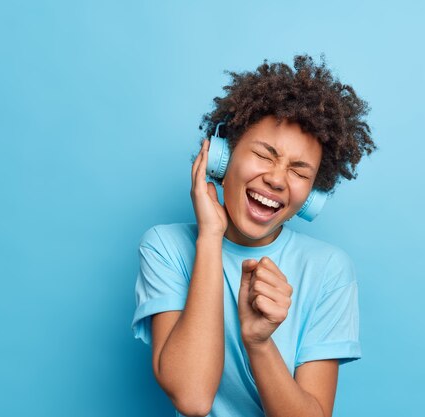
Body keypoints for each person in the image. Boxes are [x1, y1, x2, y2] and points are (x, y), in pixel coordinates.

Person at [132, 54, 376, 417]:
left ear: (312, 195)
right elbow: (193, 399)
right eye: (265, 155)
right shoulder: (165, 247)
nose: (277, 179)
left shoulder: (329, 270)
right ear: (221, 156)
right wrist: (211, 238)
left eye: (299, 171)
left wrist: (259, 342)